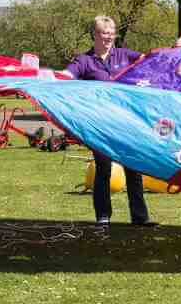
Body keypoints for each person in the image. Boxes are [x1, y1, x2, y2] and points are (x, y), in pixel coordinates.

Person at [62, 16, 160, 228]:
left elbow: (153, 59)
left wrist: (175, 50)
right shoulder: (84, 60)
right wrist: (51, 77)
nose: (108, 37)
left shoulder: (125, 55)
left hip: (126, 124)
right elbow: (67, 75)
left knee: (133, 169)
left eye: (111, 32)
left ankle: (140, 218)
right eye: (103, 32)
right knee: (103, 169)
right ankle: (103, 217)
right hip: (100, 127)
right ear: (94, 35)